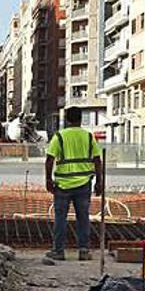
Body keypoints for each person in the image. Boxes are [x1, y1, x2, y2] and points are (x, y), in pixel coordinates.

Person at [44, 107, 104, 263]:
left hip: (62, 185)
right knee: (83, 217)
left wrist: (48, 180)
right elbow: (97, 160)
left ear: (67, 120)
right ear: (80, 119)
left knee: (60, 218)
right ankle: (84, 251)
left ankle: (58, 251)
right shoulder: (88, 137)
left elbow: (49, 160)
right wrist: (99, 181)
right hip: (84, 184)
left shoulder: (59, 136)